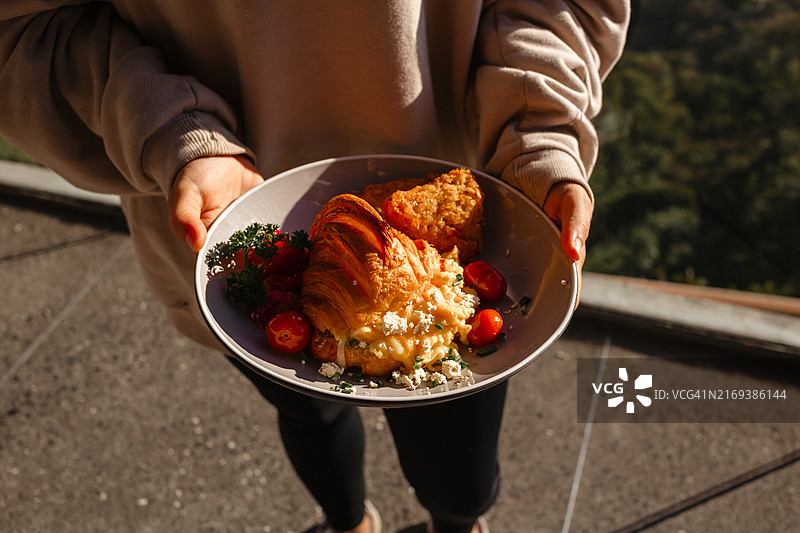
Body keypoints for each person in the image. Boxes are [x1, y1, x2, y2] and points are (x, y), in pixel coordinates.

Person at [0, 2, 630, 532]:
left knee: (458, 472)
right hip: (234, 235)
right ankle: (348, 524)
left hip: (468, 213)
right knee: (310, 416)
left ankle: (456, 526)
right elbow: (24, 31)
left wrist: (536, 128)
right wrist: (172, 127)